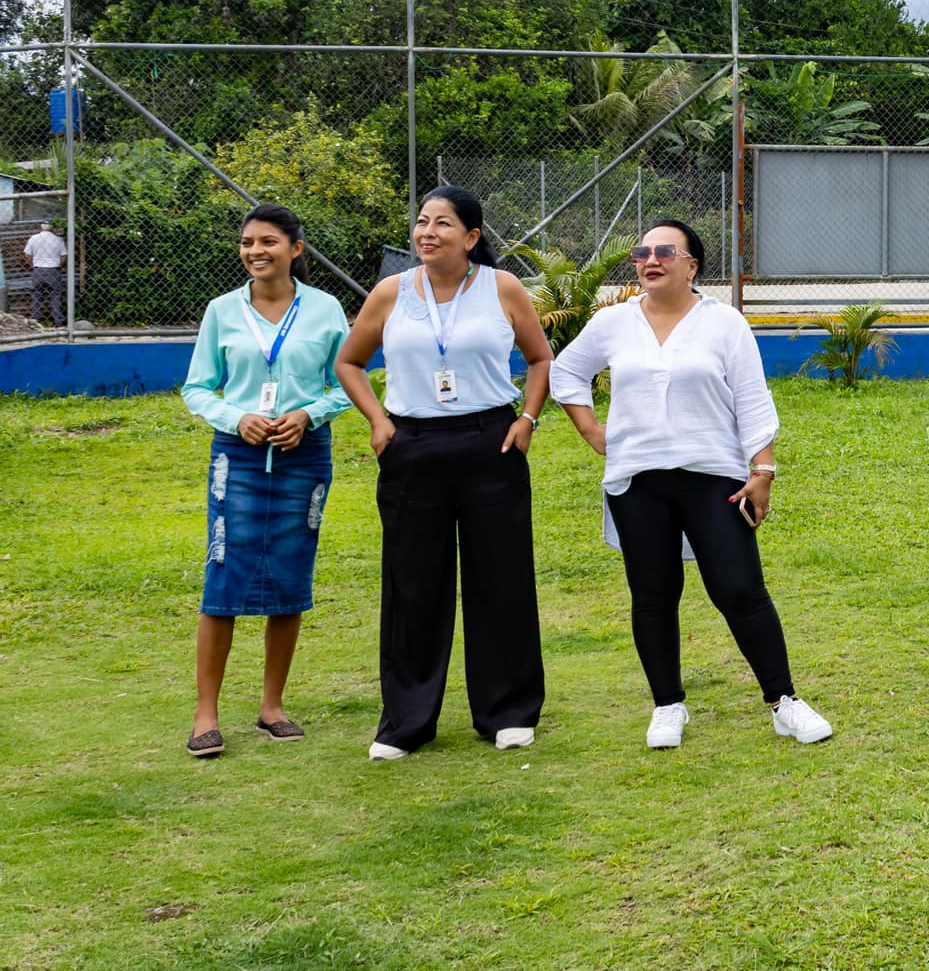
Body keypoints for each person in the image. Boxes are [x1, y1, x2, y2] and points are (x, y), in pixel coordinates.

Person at [552, 220, 832, 748]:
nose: (650, 260)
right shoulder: (613, 322)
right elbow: (566, 372)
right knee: (653, 594)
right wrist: (591, 430)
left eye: (664, 251)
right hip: (637, 480)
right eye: (642, 253)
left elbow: (752, 397)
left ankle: (784, 702)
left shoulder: (724, 323)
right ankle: (667, 705)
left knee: (739, 589)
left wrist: (763, 471)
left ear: (691, 266)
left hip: (713, 476)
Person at [336, 186, 554, 760]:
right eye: (422, 222)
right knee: (413, 583)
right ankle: (405, 722)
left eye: (442, 224)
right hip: (412, 446)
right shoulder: (391, 292)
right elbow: (348, 361)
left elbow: (540, 358)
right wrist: (378, 421)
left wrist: (528, 418)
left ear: (471, 237)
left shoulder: (502, 288)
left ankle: (508, 711)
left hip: (490, 442)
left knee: (501, 577)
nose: (427, 233)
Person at [177, 205, 353, 757]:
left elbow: (346, 382)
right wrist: (237, 418)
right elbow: (197, 388)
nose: (256, 251)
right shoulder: (222, 311)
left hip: (304, 455)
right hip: (240, 457)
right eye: (248, 242)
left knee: (289, 576)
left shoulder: (325, 310)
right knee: (223, 576)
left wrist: (308, 415)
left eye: (268, 242)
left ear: (295, 249)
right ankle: (206, 715)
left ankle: (272, 708)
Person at [24, 218, 65, 326]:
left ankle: (35, 320)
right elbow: (63, 257)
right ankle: (58, 322)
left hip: (38, 269)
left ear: (41, 226)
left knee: (37, 296)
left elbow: (27, 255)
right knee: (56, 296)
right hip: (53, 270)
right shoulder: (58, 239)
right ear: (52, 227)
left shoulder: (33, 238)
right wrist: (58, 266)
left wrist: (33, 265)